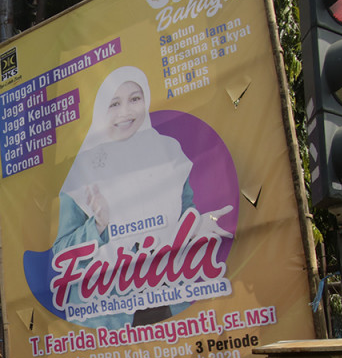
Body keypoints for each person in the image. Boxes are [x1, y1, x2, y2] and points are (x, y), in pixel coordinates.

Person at [52, 66, 230, 327]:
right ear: (101, 110)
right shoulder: (83, 171)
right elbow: (61, 254)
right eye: (114, 103)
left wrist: (202, 225)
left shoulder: (168, 152)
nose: (126, 112)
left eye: (135, 99)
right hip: (110, 315)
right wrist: (98, 223)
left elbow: (186, 216)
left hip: (171, 302)